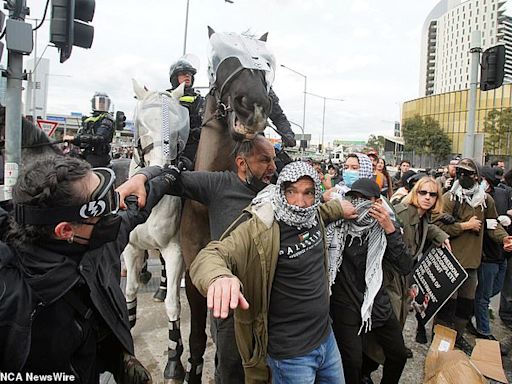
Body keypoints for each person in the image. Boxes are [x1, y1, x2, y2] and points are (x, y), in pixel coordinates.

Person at [117, 136, 333, 384]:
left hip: (270, 305)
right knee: (231, 370)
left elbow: (309, 210)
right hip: (231, 305)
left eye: (273, 159)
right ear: (242, 163)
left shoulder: (276, 190)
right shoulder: (217, 184)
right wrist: (141, 177)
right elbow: (171, 178)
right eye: (264, 160)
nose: (273, 167)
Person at [0, 155, 179, 383]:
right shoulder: (12, 302)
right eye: (103, 208)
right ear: (65, 231)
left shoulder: (94, 239)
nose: (114, 213)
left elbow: (135, 206)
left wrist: (157, 174)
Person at [189, 161, 357, 384]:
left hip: (326, 339)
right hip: (290, 357)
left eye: (308, 193)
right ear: (281, 191)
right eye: (291, 192)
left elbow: (323, 213)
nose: (299, 202)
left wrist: (339, 209)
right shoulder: (261, 228)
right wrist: (219, 277)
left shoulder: (313, 215)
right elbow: (211, 255)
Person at [327, 178, 411, 384]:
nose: (359, 202)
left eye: (365, 199)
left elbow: (405, 266)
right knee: (352, 363)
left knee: (398, 355)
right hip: (345, 305)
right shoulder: (338, 227)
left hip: (376, 302)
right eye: (355, 198)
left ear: (377, 203)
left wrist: (390, 229)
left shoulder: (384, 229)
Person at [432, 158, 512, 354]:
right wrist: (464, 226)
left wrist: (504, 239)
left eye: (467, 173)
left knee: (465, 306)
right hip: (450, 262)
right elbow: (436, 225)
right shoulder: (450, 198)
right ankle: (440, 340)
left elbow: (493, 225)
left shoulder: (485, 201)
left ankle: (458, 337)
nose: (462, 176)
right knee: (447, 305)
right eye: (459, 172)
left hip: (471, 264)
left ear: (476, 176)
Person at [386, 176, 449, 344]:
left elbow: (426, 228)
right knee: (390, 321)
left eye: (433, 194)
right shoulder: (403, 213)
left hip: (405, 275)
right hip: (391, 276)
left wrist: (441, 235)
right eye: (423, 192)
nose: (428, 197)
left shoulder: (423, 216)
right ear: (416, 193)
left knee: (402, 314)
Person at [471, 166, 512, 345]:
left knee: (495, 289)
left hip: (502, 253)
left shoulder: (501, 195)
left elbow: (501, 221)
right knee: (484, 295)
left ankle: (469, 312)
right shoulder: (475, 199)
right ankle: (484, 331)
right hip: (486, 254)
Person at [167, 57, 205, 168]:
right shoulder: (165, 97)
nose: (188, 76)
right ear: (174, 78)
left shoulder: (200, 99)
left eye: (190, 74)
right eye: (183, 73)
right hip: (171, 145)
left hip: (194, 146)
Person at [73, 92, 115, 168]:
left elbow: (100, 138)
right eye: (99, 102)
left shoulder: (107, 119)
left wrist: (76, 138)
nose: (101, 105)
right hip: (86, 154)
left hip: (99, 157)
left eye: (103, 102)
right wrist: (72, 140)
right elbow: (83, 139)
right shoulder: (88, 120)